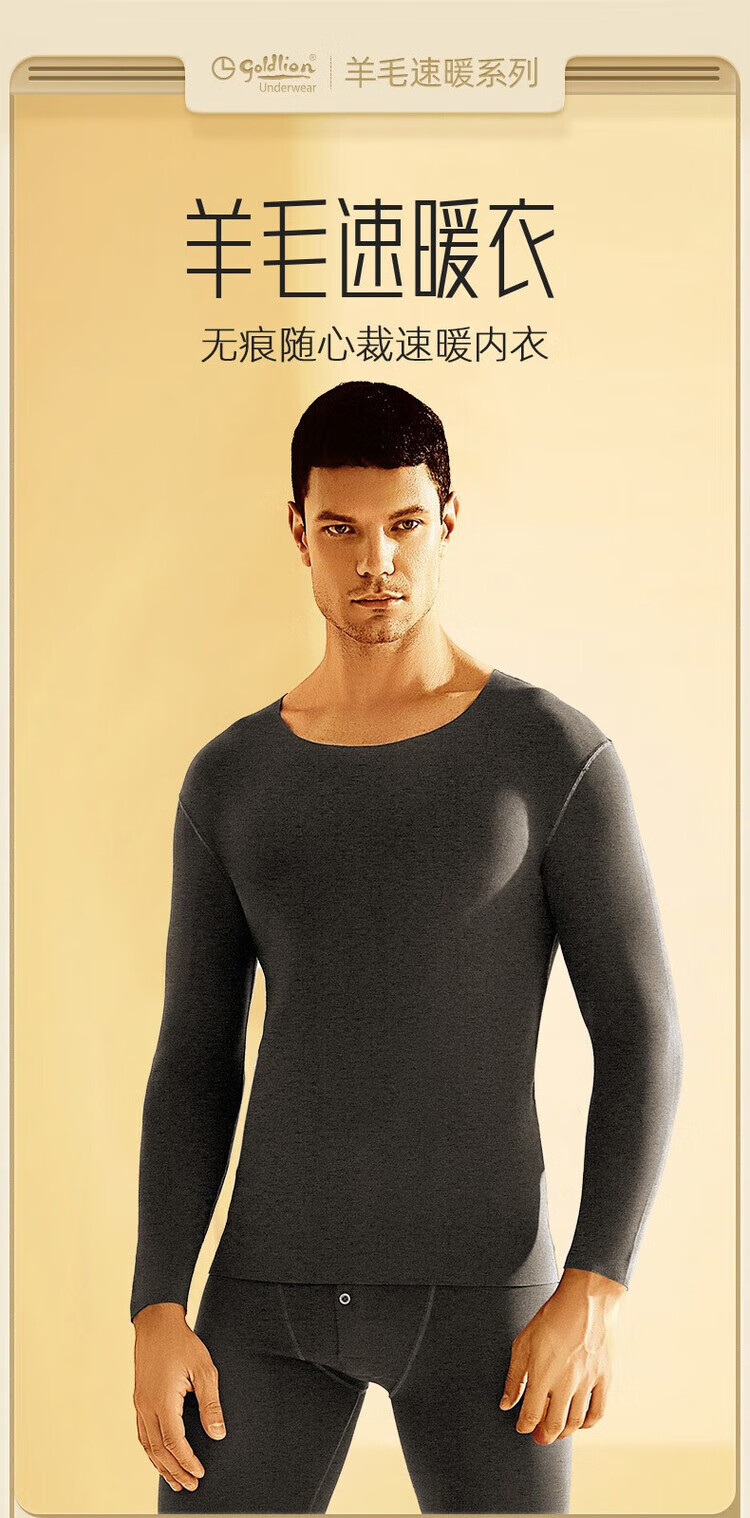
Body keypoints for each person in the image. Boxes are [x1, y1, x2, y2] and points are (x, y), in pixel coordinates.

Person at [130, 380, 683, 1514]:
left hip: (489, 1306)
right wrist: (155, 1304)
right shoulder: (232, 778)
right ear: (298, 531)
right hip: (265, 1300)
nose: (375, 561)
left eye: (404, 525)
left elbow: (642, 1033)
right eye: (341, 528)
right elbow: (194, 1055)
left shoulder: (549, 756)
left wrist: (598, 1283)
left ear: (448, 521)